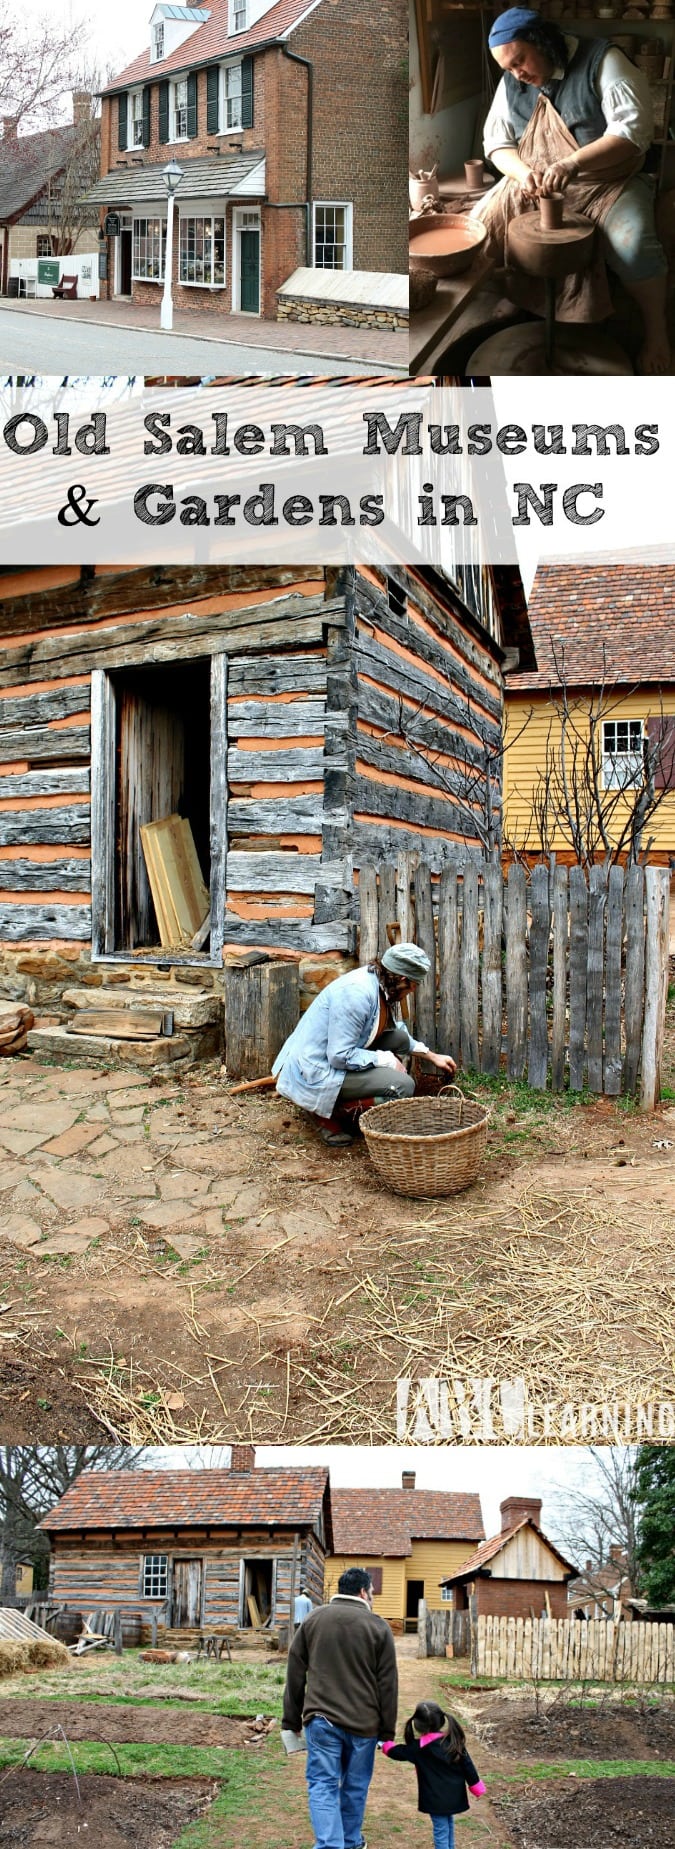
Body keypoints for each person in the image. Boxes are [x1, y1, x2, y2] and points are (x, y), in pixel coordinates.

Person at [472, 7, 670, 372]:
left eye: (521, 62)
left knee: (633, 246)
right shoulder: (513, 79)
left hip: (607, 180)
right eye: (509, 68)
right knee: (481, 225)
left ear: (544, 42)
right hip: (539, 178)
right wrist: (521, 173)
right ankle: (520, 297)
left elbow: (633, 134)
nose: (518, 74)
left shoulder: (604, 61)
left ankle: (657, 331)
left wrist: (572, 164)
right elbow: (496, 142)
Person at [272, 942, 457, 1146]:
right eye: (414, 985)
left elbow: (395, 1030)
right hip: (315, 1068)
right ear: (403, 979)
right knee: (403, 1086)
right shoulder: (357, 994)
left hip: (333, 1055)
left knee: (399, 1039)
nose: (413, 991)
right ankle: (328, 1112)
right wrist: (385, 1060)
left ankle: (334, 1105)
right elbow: (339, 1056)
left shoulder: (379, 983)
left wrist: (431, 1055)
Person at [282, 1565, 398, 1849]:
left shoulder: (313, 1620)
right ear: (362, 1592)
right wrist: (387, 1731)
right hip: (365, 1725)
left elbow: (295, 1673)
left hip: (321, 1721)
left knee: (322, 1784)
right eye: (372, 1592)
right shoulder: (378, 1627)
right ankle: (349, 1841)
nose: (372, 1598)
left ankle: (334, 1844)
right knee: (355, 1787)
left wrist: (291, 1722)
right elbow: (388, 1685)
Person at [381, 1699, 486, 1849]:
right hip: (454, 1795)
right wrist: (476, 1786)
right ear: (442, 1720)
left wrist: (385, 1745)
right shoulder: (453, 1741)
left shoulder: (418, 1748)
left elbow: (398, 1752)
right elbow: (467, 1766)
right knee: (448, 1823)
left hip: (434, 1799)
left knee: (441, 1829)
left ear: (417, 1724)